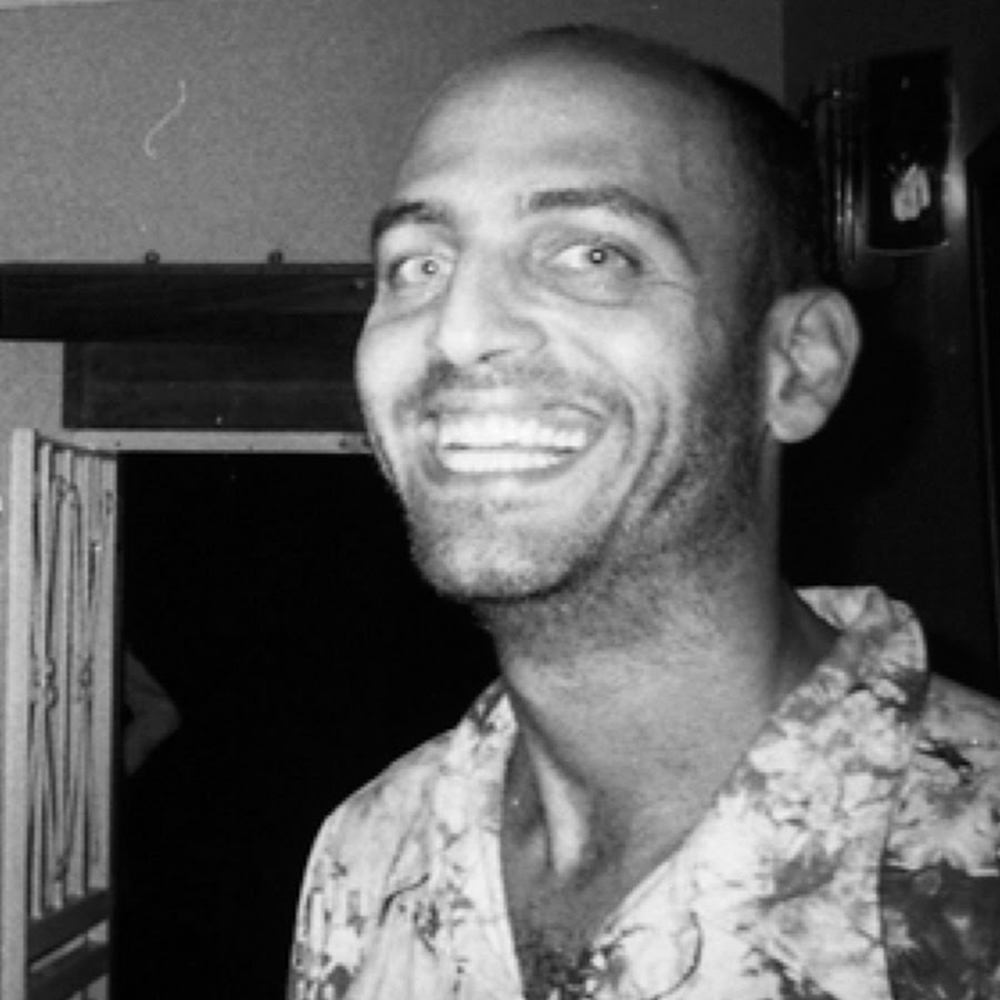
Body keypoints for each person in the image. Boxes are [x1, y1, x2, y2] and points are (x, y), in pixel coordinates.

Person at [288, 24, 1000, 999]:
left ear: (796, 367)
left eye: (592, 253)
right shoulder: (366, 854)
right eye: (418, 264)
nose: (458, 330)